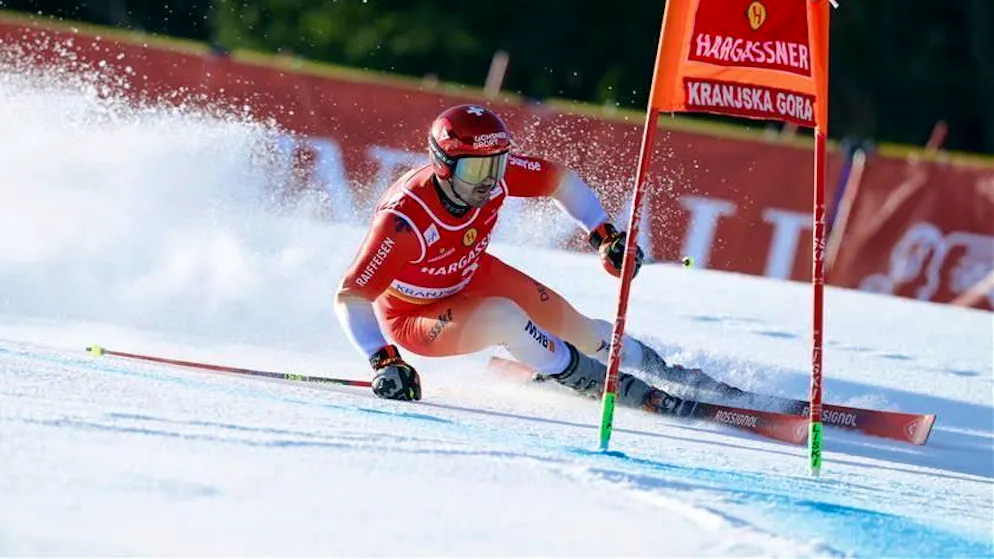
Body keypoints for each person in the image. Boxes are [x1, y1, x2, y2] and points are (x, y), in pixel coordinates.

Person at [334, 104, 741, 411]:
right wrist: (384, 361)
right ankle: (586, 379)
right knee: (505, 318)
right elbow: (351, 296)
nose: (489, 182)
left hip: (470, 275)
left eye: (496, 167)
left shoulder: (493, 176)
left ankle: (666, 373)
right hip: (416, 317)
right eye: (476, 172)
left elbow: (560, 180)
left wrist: (603, 235)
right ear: (443, 166)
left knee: (580, 328)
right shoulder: (404, 220)